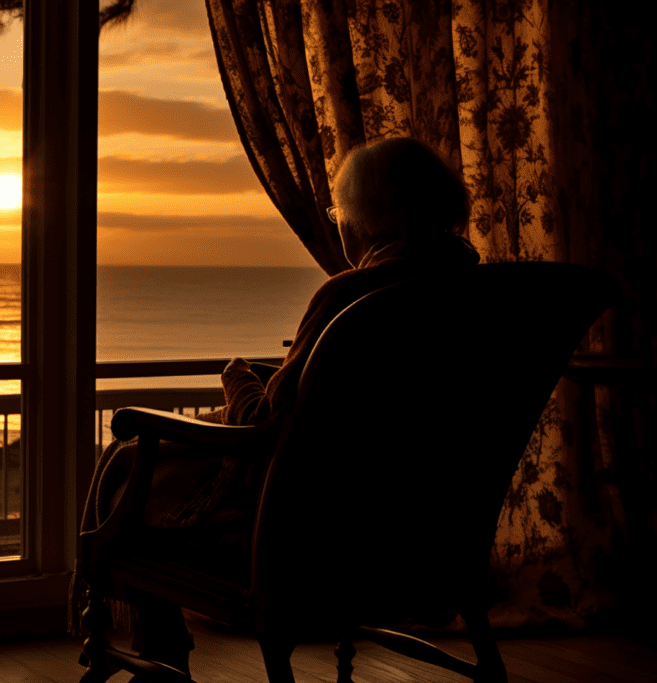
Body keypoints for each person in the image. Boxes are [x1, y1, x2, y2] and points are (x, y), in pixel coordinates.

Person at [76, 136, 481, 678]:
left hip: (314, 540)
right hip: (424, 537)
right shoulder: (475, 296)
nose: (338, 223)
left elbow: (261, 428)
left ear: (372, 218)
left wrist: (237, 377)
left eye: (340, 211)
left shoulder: (353, 297)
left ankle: (160, 648)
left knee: (131, 465)